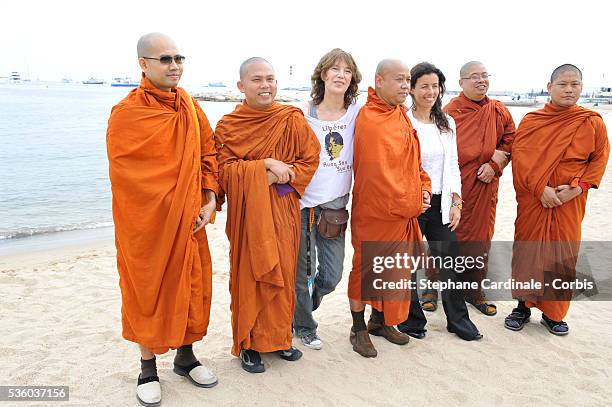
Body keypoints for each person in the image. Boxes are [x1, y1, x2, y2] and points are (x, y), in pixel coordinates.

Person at [106, 32, 219, 407]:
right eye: (165, 59)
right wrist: (169, 205)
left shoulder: (190, 106)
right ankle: (147, 366)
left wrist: (209, 198)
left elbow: (208, 155)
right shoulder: (126, 113)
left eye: (179, 58)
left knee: (190, 284)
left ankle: (186, 358)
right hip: (147, 226)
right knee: (147, 290)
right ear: (144, 64)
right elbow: (127, 176)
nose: (175, 66)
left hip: (191, 220)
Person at [215, 57, 320, 373]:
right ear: (241, 86)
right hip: (249, 216)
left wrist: (274, 175)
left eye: (270, 79)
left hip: (284, 210)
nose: (266, 85)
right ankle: (248, 344)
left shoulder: (292, 119)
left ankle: (280, 339)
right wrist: (264, 166)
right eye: (257, 79)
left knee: (284, 275)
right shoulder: (228, 126)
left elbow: (310, 161)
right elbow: (222, 172)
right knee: (249, 278)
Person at [505, 64, 609, 335]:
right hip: (534, 199)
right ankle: (522, 307)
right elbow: (521, 162)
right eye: (562, 84)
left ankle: (554, 314)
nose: (569, 89)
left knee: (563, 254)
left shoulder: (592, 121)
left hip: (570, 200)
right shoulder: (532, 120)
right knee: (528, 250)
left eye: (574, 84)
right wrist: (540, 189)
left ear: (581, 88)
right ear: (550, 87)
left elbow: (599, 159)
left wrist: (579, 187)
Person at [348, 59, 432, 358]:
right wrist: (411, 201)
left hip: (403, 209)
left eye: (408, 80)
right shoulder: (369, 118)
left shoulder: (400, 115)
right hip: (376, 211)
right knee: (365, 270)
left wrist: (423, 188)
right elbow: (378, 174)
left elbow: (413, 162)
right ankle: (358, 329)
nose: (405, 86)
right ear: (378, 80)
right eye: (399, 79)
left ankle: (378, 321)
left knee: (394, 271)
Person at [397, 62, 482, 341]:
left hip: (440, 202)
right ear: (411, 88)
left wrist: (456, 202)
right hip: (411, 204)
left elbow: (453, 165)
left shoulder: (447, 122)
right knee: (407, 264)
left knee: (450, 262)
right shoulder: (402, 120)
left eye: (435, 86)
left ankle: (457, 320)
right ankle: (412, 320)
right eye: (424, 86)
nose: (430, 91)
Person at [293, 48, 362, 350]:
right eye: (334, 69)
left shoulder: (358, 111)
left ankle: (304, 307)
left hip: (336, 208)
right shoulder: (302, 112)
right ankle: (305, 326)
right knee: (303, 274)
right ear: (322, 74)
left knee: (331, 276)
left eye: (347, 71)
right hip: (304, 205)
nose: (340, 75)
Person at [443, 61, 515, 316]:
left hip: (485, 187)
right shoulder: (449, 112)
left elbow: (511, 139)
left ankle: (473, 291)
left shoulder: (498, 110)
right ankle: (438, 288)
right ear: (461, 82)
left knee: (480, 240)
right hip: (456, 187)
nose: (481, 80)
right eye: (474, 76)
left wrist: (495, 164)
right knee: (449, 237)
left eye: (485, 76)